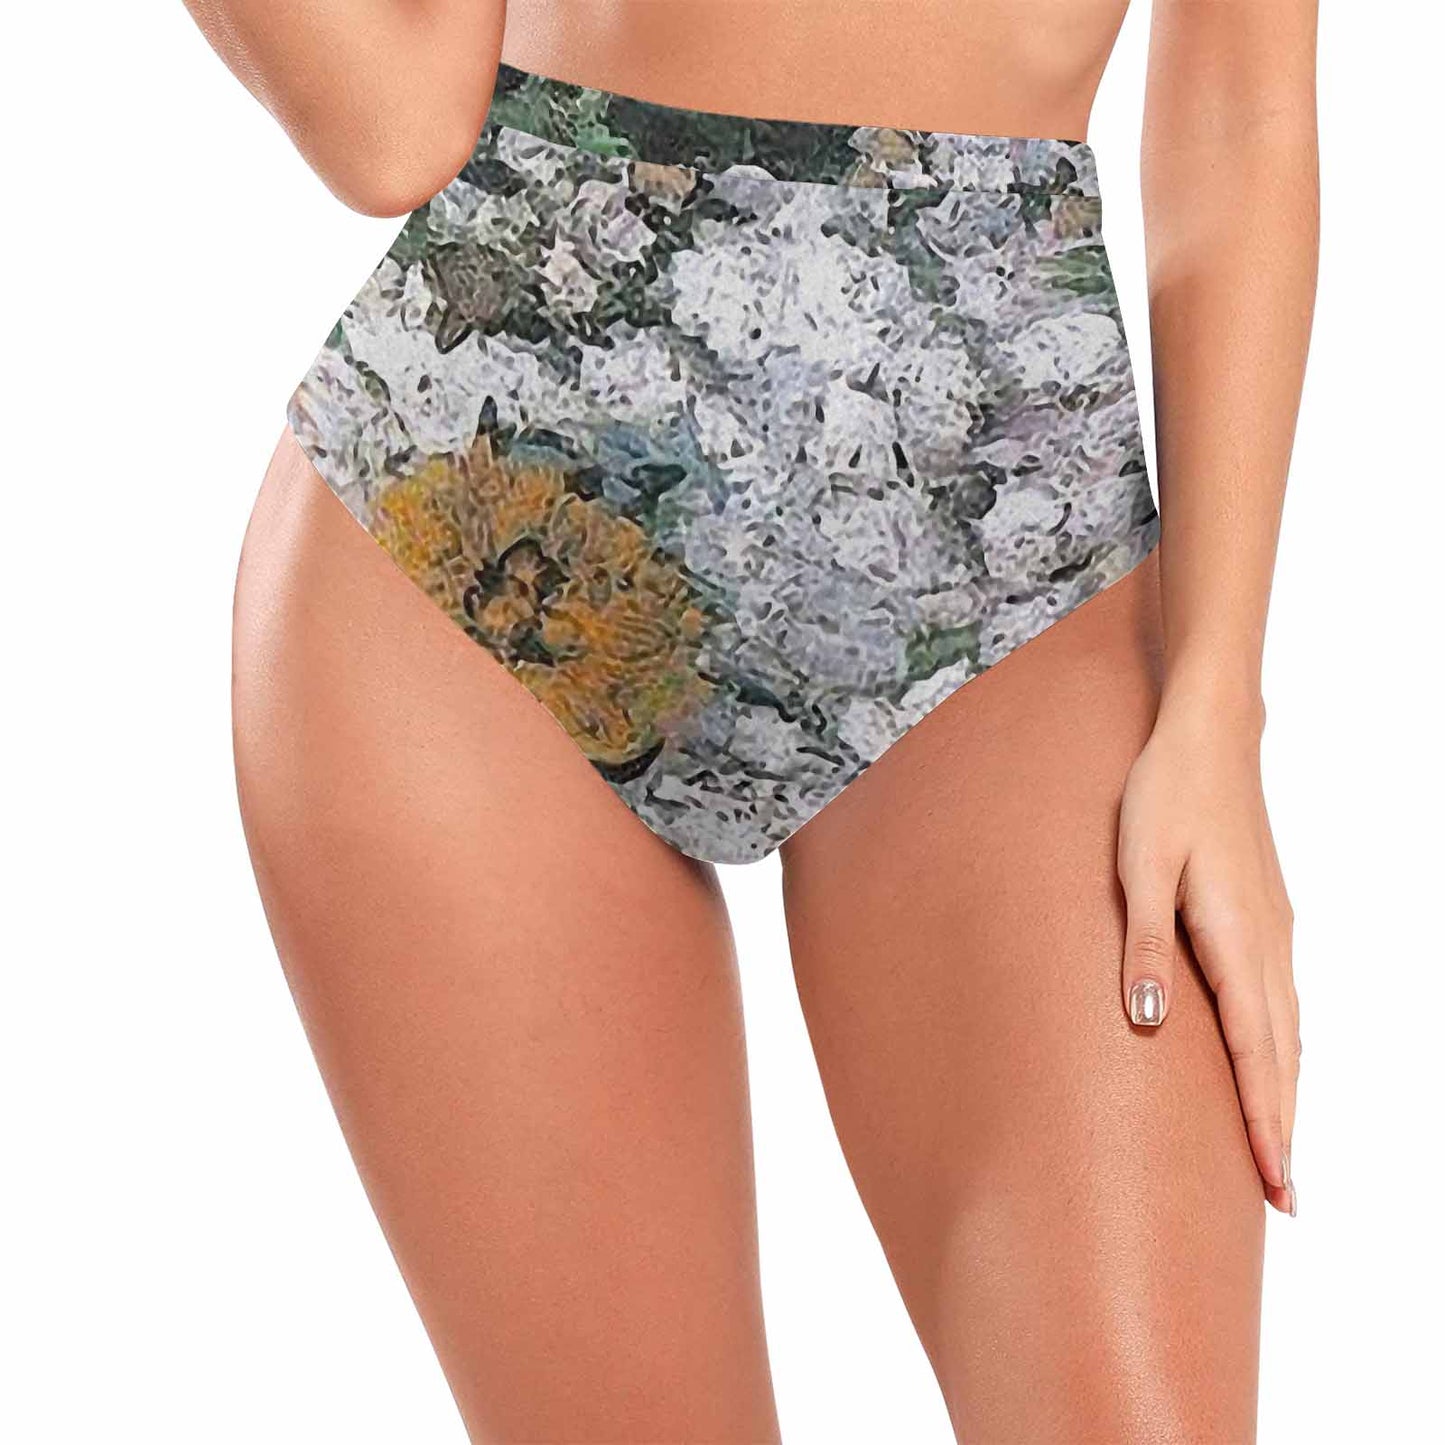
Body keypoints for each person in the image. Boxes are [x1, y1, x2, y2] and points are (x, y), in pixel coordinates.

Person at [186, 0, 1316, 1438]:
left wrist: (1215, 710)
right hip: (482, 507)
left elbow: (1240, 117)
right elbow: (389, 127)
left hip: (1009, 558)